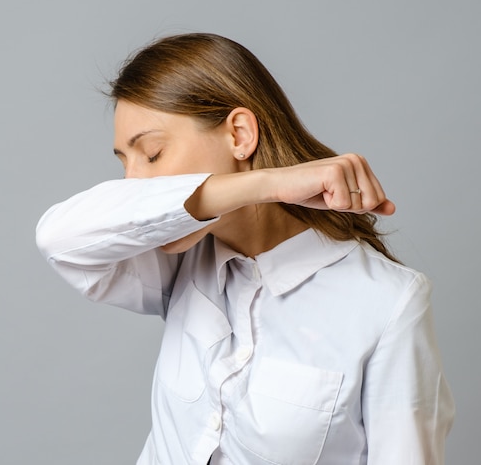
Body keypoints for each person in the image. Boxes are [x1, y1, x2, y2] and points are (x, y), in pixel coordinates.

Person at [36, 33, 454, 465]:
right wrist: (267, 183)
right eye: (124, 161)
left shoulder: (387, 302)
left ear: (239, 134)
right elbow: (58, 240)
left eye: (153, 154)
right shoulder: (176, 262)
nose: (133, 185)